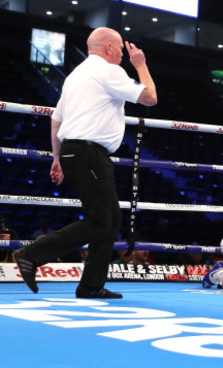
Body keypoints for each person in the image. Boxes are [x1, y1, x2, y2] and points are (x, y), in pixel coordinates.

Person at [12, 27, 157, 299]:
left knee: (111, 219)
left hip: (77, 152)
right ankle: (30, 254)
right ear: (110, 48)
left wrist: (57, 157)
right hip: (88, 153)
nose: (125, 56)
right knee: (101, 219)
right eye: (122, 51)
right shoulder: (109, 71)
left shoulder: (75, 76)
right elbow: (150, 97)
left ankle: (91, 285)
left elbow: (57, 118)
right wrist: (142, 65)